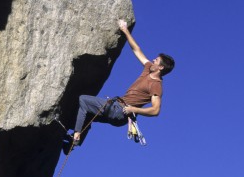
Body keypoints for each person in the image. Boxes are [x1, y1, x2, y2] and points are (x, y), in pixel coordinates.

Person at [67, 19, 175, 150]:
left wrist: (134, 109)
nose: (153, 60)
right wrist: (125, 30)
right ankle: (73, 144)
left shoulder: (156, 85)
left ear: (161, 68)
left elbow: (156, 110)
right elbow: (137, 50)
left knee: (83, 100)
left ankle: (77, 135)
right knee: (89, 115)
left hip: (119, 111)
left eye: (156, 60)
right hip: (118, 112)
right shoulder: (148, 68)